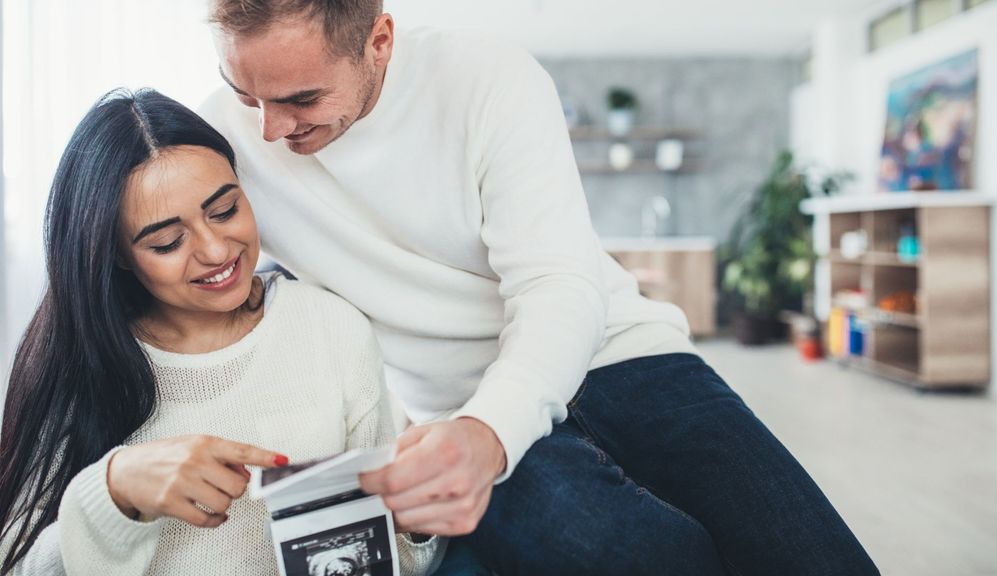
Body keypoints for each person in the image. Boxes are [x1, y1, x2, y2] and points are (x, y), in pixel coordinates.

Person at [201, 1, 880, 574]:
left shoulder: (487, 78)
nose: (268, 128)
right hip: (456, 406)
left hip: (621, 355)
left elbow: (556, 283)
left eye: (301, 99)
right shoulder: (220, 140)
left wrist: (489, 432)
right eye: (244, 94)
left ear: (379, 40)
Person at [0, 89, 442, 575]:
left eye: (225, 210)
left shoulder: (330, 329)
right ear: (117, 255)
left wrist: (414, 521)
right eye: (168, 241)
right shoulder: (80, 368)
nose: (215, 251)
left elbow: (393, 558)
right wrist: (115, 492)